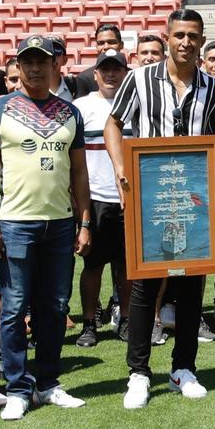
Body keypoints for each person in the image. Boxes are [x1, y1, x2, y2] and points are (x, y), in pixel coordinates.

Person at [107, 9, 215, 407]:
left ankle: (184, 367)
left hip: (196, 199)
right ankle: (138, 372)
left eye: (193, 36)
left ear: (201, 40)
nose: (186, 42)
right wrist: (119, 167)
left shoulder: (213, 88)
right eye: (179, 35)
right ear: (167, 37)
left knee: (189, 283)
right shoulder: (139, 79)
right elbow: (114, 123)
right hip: (152, 195)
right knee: (146, 285)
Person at [0, 35, 90, 420]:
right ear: (18, 66)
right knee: (13, 308)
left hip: (59, 224)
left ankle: (48, 383)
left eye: (42, 61)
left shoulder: (69, 112)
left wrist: (84, 220)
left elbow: (79, 171)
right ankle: (18, 389)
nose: (35, 68)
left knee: (55, 307)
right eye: (28, 61)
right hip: (13, 224)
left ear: (57, 64)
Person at [73, 49, 131, 348]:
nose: (110, 74)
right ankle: (88, 323)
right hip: (95, 197)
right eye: (104, 69)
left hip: (128, 197)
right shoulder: (80, 107)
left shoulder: (136, 103)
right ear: (95, 74)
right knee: (92, 265)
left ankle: (125, 320)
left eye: (116, 69)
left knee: (126, 265)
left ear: (125, 72)